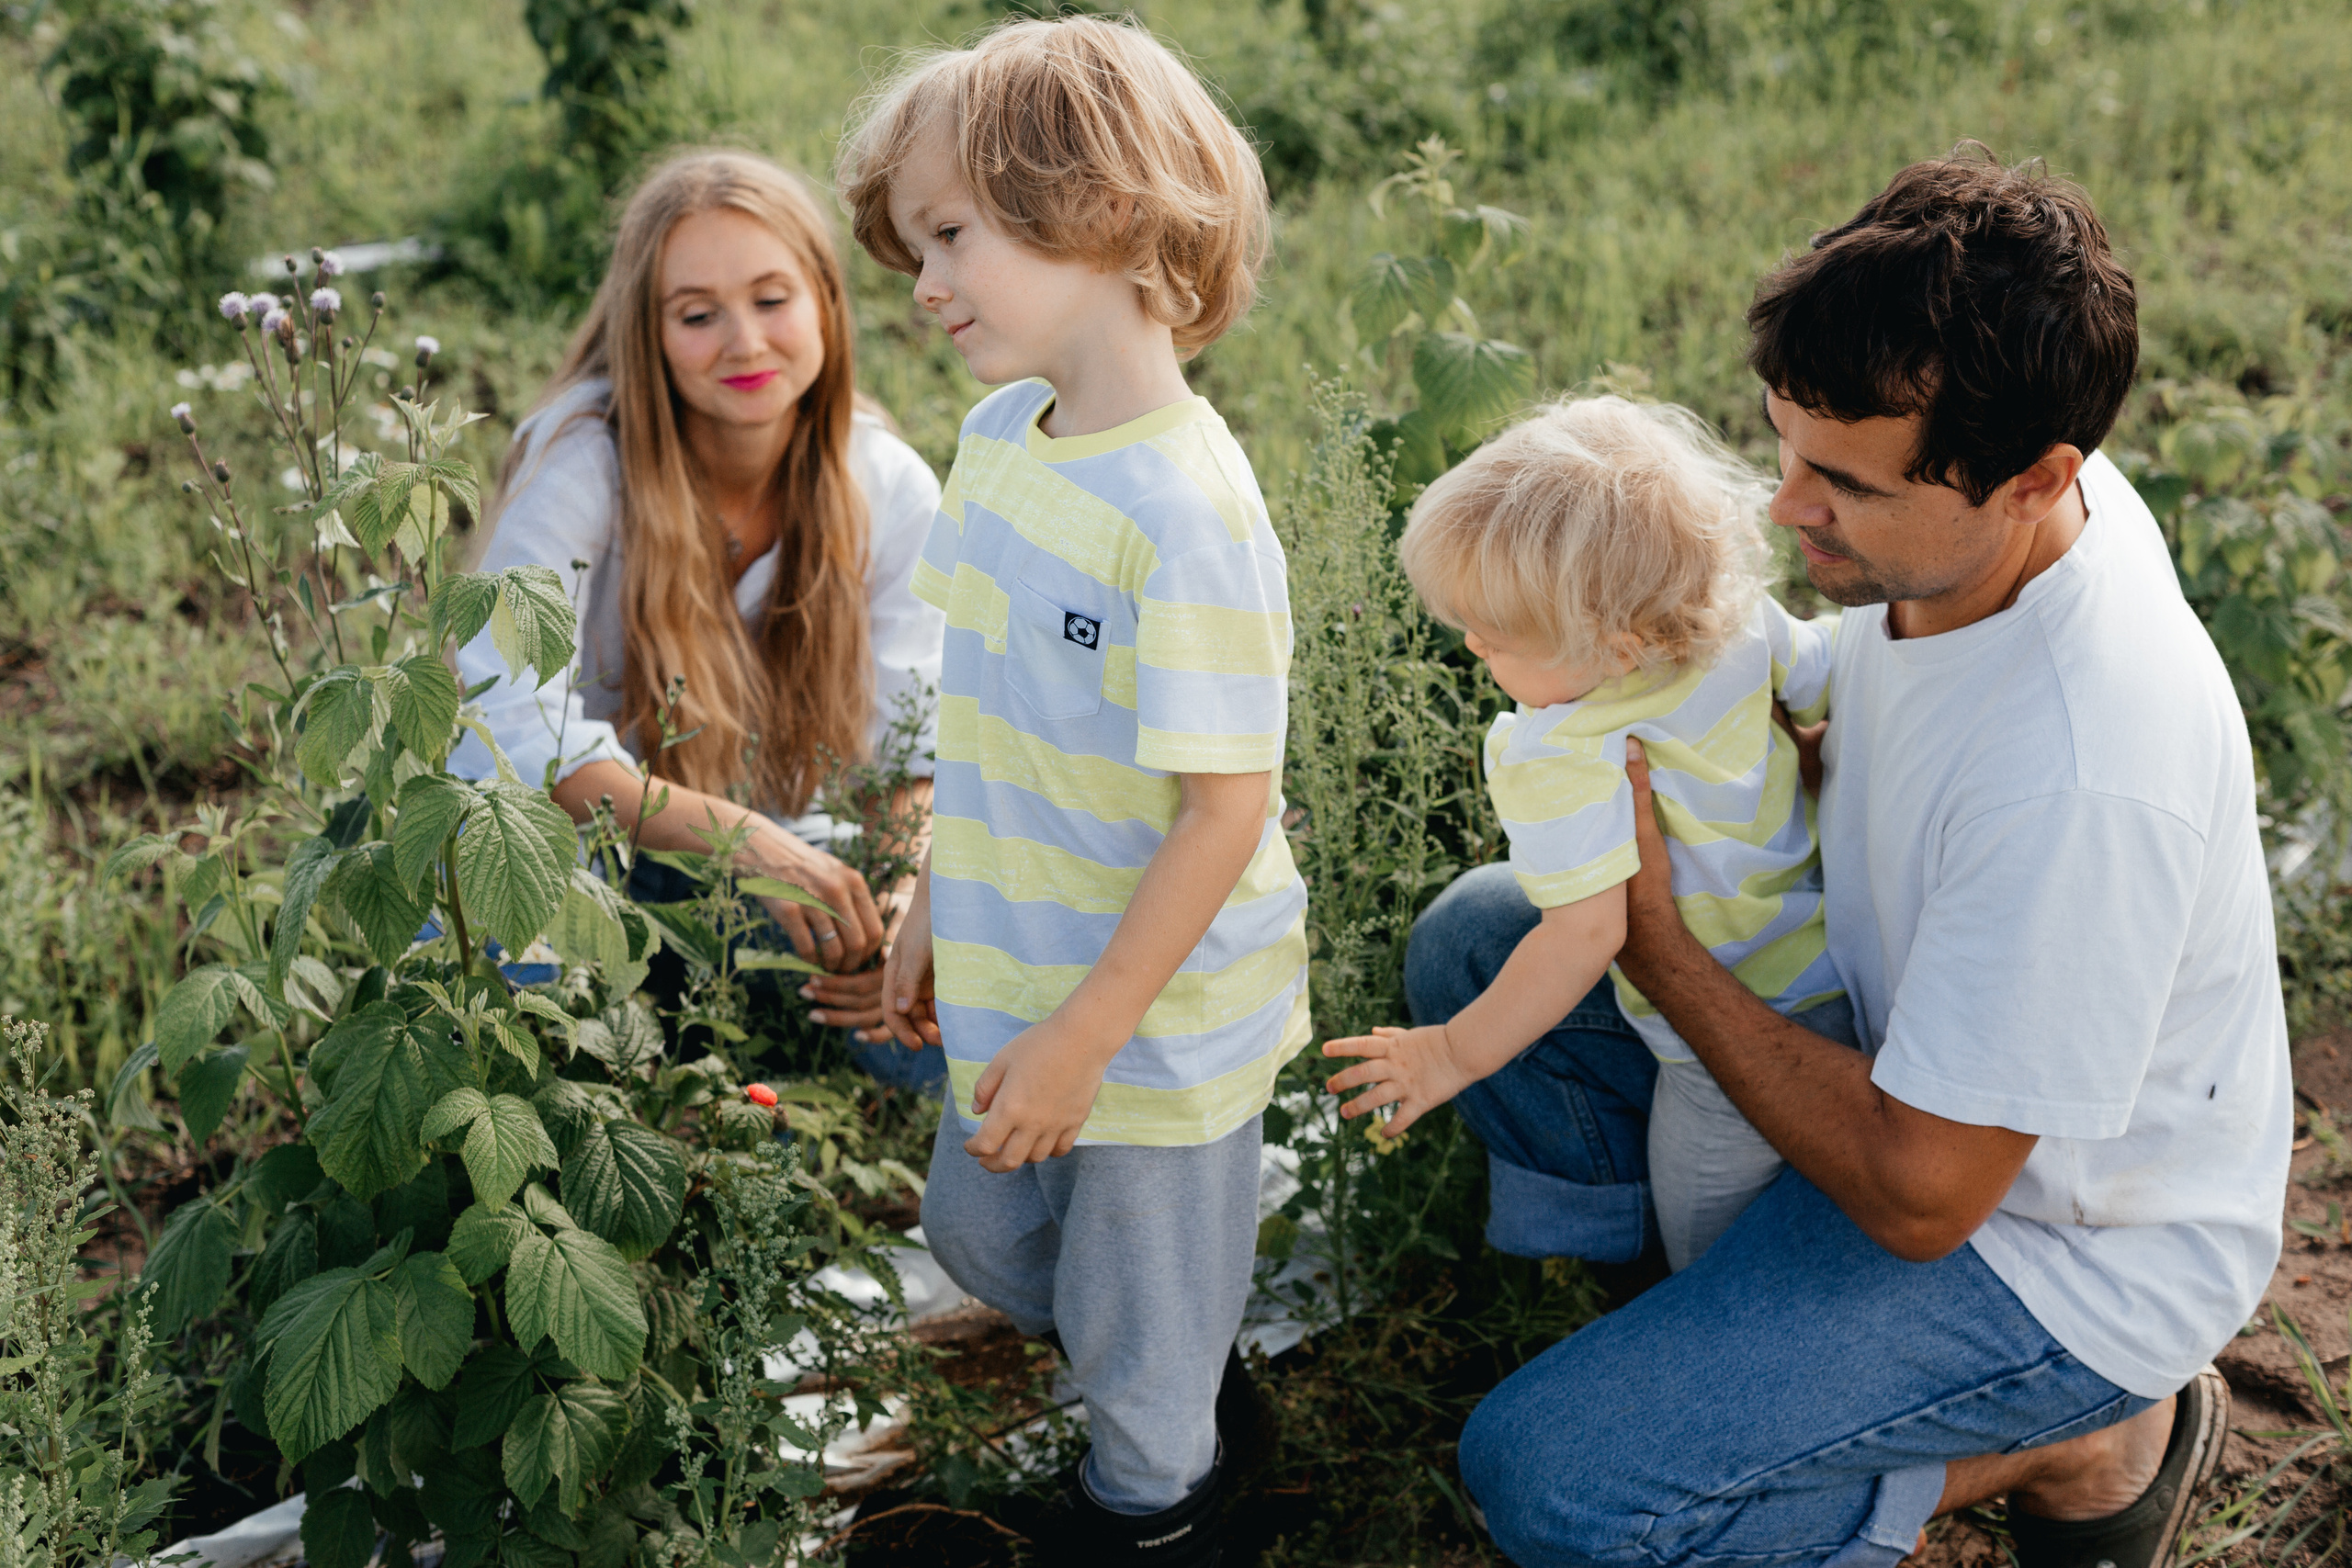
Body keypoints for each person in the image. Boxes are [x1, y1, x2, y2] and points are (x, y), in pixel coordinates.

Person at [1412, 152, 2291, 1568]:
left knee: (1554, 1480)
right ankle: (1715, 1367)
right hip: (1892, 1037)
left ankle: (2086, 1433)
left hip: (2048, 1244)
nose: (1784, 508)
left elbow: (1926, 1190)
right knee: (1477, 936)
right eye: (1786, 447)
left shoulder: (2080, 770)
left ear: (2036, 478)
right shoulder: (1970, 517)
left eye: (1844, 482)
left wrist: (1664, 943)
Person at [838, 17, 1300, 1564]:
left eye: (953, 235)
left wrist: (1089, 1034)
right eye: (917, 247)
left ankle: (1155, 1503)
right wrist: (930, 900)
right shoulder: (998, 440)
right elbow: (984, 714)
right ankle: (1170, 1357)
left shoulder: (1188, 515)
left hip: (1149, 1025)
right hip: (1014, 966)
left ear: (1096, 204)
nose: (927, 284)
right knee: (982, 1228)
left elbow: (1222, 815)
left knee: (1136, 1336)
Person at [451, 150, 947, 1090]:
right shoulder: (582, 465)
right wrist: (744, 839)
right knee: (525, 994)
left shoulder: (882, 482)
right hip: (587, 864)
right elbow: (507, 730)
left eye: (772, 299)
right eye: (697, 315)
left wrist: (895, 891)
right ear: (648, 332)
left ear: (825, 307)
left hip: (780, 873)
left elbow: (913, 748)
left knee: (958, 1000)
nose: (745, 343)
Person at [1324, 395, 1852, 1272]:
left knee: (1704, 1249)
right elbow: (1833, 677)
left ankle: (1638, 1302)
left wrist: (1452, 1052)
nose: (1471, 646)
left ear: (1612, 649)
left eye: (1493, 639)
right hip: (1832, 974)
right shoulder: (1746, 630)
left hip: (1720, 1048)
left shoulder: (1560, 748)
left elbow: (1589, 933)